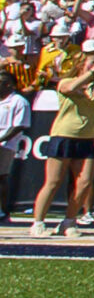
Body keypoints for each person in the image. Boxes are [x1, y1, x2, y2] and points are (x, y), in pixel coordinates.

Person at [31, 42, 94, 238]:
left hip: (87, 138)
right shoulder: (66, 82)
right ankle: (38, 222)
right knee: (53, 181)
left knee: (85, 182)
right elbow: (72, 87)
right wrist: (92, 70)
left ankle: (69, 221)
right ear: (81, 65)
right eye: (92, 63)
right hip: (63, 136)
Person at [0, 73, 27, 224]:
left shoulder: (19, 101)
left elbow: (19, 125)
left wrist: (1, 139)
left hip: (6, 145)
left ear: (9, 84)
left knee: (1, 177)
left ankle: (3, 211)